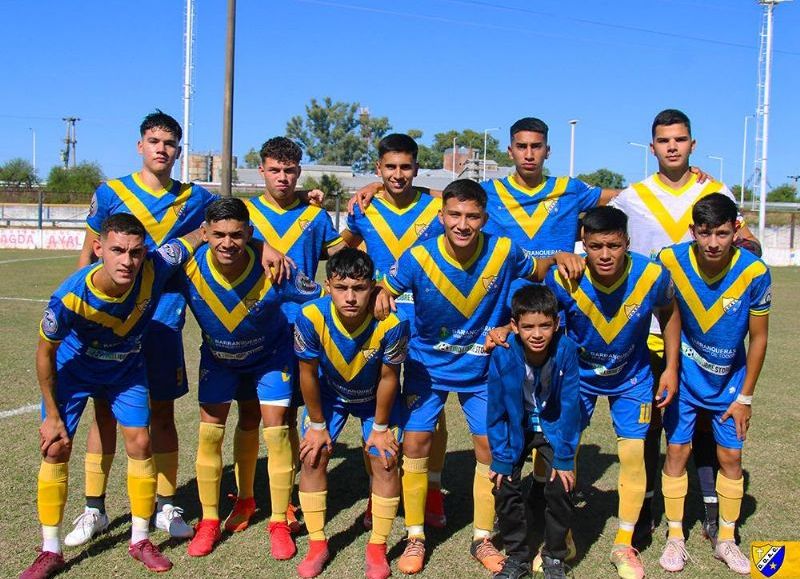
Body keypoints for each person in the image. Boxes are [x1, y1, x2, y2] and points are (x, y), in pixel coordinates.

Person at [67, 111, 293, 546]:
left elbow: (233, 225)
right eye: (154, 141)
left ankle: (167, 503)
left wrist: (267, 248)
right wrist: (83, 309)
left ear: (178, 150)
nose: (161, 149)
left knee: (162, 412)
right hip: (110, 319)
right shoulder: (110, 192)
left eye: (170, 143)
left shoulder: (197, 198)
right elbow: (87, 254)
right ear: (140, 145)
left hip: (162, 319)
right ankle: (94, 507)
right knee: (104, 413)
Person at [376, 179, 584, 574]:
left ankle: (482, 537)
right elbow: (385, 288)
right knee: (417, 442)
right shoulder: (418, 257)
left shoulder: (503, 250)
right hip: (427, 368)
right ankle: (416, 535)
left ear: (485, 219)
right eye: (454, 214)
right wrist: (379, 294)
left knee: (491, 448)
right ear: (441, 217)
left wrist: (558, 256)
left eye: (472, 216)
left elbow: (536, 270)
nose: (462, 223)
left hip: (480, 370)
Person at [21, 213, 203, 579]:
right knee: (56, 447)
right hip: (75, 371)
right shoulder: (71, 296)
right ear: (98, 248)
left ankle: (140, 539)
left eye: (136, 252)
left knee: (140, 441)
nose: (127, 261)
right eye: (118, 250)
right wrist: (52, 415)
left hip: (125, 370)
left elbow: (197, 236)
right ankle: (50, 550)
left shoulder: (155, 264)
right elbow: (44, 353)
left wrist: (256, 244)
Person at [610, 109, 762, 543]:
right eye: (664, 140)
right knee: (653, 424)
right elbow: (607, 238)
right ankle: (645, 509)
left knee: (703, 427)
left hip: (709, 335)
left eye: (680, 139)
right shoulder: (633, 196)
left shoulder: (715, 189)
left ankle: (711, 511)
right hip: (654, 332)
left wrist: (745, 245)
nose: (672, 146)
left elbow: (747, 242)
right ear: (652, 146)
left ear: (692, 145)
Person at [173, 198, 323, 559]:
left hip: (270, 359)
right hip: (219, 361)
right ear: (205, 234)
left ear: (249, 234)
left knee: (275, 430)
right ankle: (209, 521)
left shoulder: (278, 268)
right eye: (219, 234)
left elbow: (319, 297)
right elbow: (148, 261)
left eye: (238, 235)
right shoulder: (187, 266)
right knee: (210, 433)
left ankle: (276, 520)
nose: (228, 243)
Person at [544, 206, 681, 579]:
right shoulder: (564, 277)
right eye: (595, 246)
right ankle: (562, 538)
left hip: (632, 378)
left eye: (614, 246)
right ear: (583, 244)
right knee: (561, 451)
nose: (605, 255)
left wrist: (670, 368)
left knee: (635, 454)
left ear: (628, 243)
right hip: (578, 379)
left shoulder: (651, 274)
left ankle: (624, 543)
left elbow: (669, 313)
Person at [340, 133, 448, 554]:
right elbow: (346, 247)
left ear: (417, 168)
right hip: (376, 320)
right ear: (378, 169)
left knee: (428, 410)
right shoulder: (362, 208)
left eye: (406, 167)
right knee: (376, 408)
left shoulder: (436, 206)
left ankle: (433, 488)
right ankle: (377, 492)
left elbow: (462, 202)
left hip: (426, 320)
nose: (398, 175)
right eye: (390, 168)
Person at [657, 193, 770, 575]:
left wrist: (746, 397)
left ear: (736, 231)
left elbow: (759, 338)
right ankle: (675, 536)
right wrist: (670, 367)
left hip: (729, 385)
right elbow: (666, 312)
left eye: (722, 233)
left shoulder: (754, 271)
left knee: (731, 458)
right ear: (693, 231)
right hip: (684, 380)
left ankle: (726, 539)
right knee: (676, 453)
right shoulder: (670, 259)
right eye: (704, 233)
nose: (713, 243)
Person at [245, 135, 346, 537]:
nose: (283, 177)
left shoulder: (316, 217)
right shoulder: (247, 214)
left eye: (290, 171)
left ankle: (295, 491)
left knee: (305, 410)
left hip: (306, 327)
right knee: (268, 414)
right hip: (258, 327)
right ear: (262, 171)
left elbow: (341, 257)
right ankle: (271, 497)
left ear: (299, 172)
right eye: (275, 170)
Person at [293, 248, 410, 579]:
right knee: (313, 455)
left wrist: (382, 426)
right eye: (341, 288)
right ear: (328, 285)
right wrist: (317, 425)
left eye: (358, 289)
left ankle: (377, 547)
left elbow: (390, 378)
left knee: (385, 459)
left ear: (372, 287)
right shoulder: (311, 315)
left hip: (374, 399)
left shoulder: (393, 322)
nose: (350, 297)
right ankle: (318, 543)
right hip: (330, 397)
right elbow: (307, 374)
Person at [487, 285, 581, 579]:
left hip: (552, 426)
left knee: (561, 485)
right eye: (528, 327)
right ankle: (517, 557)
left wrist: (565, 456)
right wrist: (502, 456)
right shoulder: (502, 355)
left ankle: (554, 555)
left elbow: (569, 406)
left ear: (556, 324)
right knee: (503, 484)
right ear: (514, 326)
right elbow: (496, 410)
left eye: (544, 326)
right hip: (519, 427)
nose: (537, 334)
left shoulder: (566, 350)